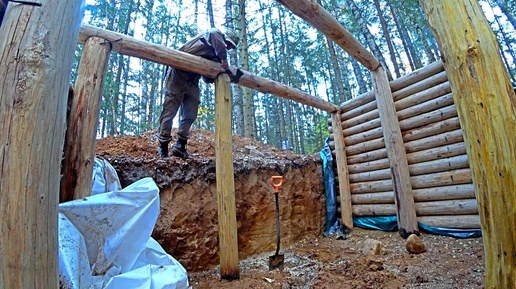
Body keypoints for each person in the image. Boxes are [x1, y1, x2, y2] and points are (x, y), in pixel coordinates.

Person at [156, 28, 240, 158]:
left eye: (230, 47)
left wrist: (215, 73)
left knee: (191, 113)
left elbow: (207, 78)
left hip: (193, 80)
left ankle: (180, 145)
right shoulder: (214, 35)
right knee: (170, 112)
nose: (228, 48)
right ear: (224, 40)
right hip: (177, 75)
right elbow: (213, 34)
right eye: (228, 44)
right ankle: (163, 145)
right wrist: (223, 60)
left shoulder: (216, 54)